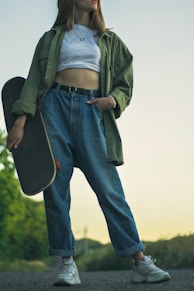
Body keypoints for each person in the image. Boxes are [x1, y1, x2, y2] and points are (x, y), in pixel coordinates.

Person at [7, 0, 170, 286]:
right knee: (55, 188)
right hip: (53, 110)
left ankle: (140, 261)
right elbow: (33, 81)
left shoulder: (110, 41)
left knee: (110, 190)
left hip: (92, 112)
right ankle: (67, 263)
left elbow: (125, 83)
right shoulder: (51, 38)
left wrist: (113, 101)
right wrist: (20, 122)